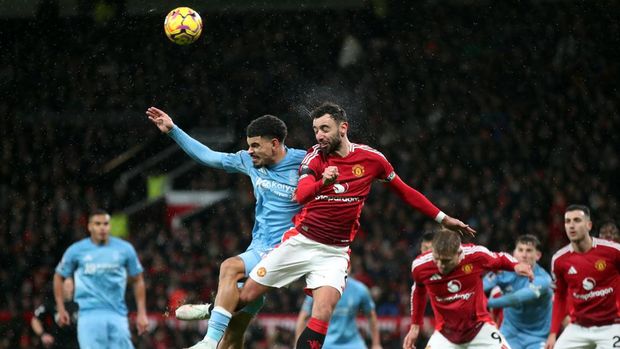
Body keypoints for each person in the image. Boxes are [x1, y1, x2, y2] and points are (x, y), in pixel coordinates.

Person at [187, 101, 475, 349]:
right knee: (246, 296)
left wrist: (442, 218)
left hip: (335, 252)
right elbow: (300, 194)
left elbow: (404, 190)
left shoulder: (372, 160)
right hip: (300, 242)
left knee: (322, 311)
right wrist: (323, 182)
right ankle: (215, 311)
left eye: (324, 129)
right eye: (315, 130)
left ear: (343, 128)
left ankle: (217, 311)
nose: (319, 135)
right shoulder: (314, 159)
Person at [146, 107, 307, 349]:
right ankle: (215, 311)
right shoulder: (249, 161)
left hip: (287, 249)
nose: (249, 151)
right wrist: (174, 131)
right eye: (248, 145)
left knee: (229, 267)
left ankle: (208, 340)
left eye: (255, 145)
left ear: (274, 144)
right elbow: (209, 157)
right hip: (259, 247)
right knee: (233, 335)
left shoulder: (305, 161)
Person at [403, 229, 534, 349]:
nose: (440, 265)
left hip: (479, 329)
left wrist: (516, 265)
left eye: (446, 261)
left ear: (459, 253)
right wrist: (415, 326)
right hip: (445, 335)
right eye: (436, 259)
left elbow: (500, 259)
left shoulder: (475, 256)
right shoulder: (420, 267)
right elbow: (418, 291)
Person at [54, 209, 149, 348]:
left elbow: (138, 279)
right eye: (97, 224)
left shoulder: (125, 249)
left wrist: (142, 313)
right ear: (89, 226)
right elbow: (58, 276)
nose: (102, 228)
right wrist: (61, 308)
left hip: (117, 314)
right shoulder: (76, 250)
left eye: (105, 223)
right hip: (88, 315)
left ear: (110, 226)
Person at [544, 204, 620, 349]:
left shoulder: (613, 251)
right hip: (578, 328)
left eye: (577, 220)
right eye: (568, 221)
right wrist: (553, 333)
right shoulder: (559, 260)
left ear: (589, 225)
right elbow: (559, 296)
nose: (571, 226)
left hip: (612, 325)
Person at [483, 234, 552, 349]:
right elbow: (480, 287)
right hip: (509, 333)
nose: (524, 255)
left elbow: (516, 299)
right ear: (514, 253)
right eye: (520, 250)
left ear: (538, 255)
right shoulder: (502, 272)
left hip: (536, 337)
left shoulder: (543, 279)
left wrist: (485, 303)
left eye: (529, 250)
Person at [294, 274, 382, 349]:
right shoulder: (318, 288)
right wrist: (297, 344)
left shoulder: (360, 289)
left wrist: (376, 344)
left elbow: (371, 315)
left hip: (353, 343)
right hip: (326, 343)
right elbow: (303, 316)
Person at [31, 278, 79, 349]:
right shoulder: (52, 302)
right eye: (66, 285)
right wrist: (43, 335)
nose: (68, 288)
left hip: (78, 344)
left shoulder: (81, 302)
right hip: (58, 344)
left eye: (70, 285)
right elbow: (35, 319)